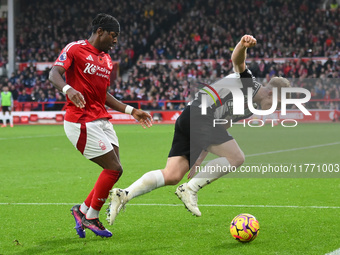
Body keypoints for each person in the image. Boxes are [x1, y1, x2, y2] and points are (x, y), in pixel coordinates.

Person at [106, 35, 291, 224]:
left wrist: (198, 160)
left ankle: (125, 194)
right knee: (237, 158)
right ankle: (190, 189)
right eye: (276, 103)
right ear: (271, 92)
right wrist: (242, 45)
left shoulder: (250, 109)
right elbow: (238, 60)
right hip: (200, 114)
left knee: (172, 174)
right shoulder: (249, 83)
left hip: (191, 118)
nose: (273, 109)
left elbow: (220, 127)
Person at [49, 13, 152, 238]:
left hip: (101, 119)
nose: (115, 41)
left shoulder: (106, 59)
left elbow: (104, 94)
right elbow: (54, 73)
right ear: (100, 32)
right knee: (114, 169)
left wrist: (131, 110)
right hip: (81, 120)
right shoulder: (75, 48)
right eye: (113, 36)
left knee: (114, 170)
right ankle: (91, 217)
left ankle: (82, 210)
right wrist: (68, 89)